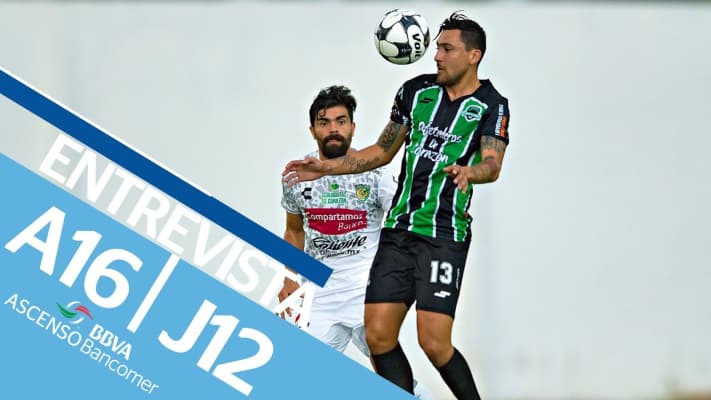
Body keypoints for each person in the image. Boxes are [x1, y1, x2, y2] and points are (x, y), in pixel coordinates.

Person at [283, 12, 510, 400]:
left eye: (446, 49)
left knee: (434, 342)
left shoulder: (492, 105)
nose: (436, 55)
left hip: (443, 234)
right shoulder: (415, 91)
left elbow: (493, 164)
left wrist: (471, 173)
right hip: (398, 233)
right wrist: (326, 167)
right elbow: (381, 152)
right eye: (437, 48)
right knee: (378, 335)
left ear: (474, 55)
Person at [278, 85, 431, 399]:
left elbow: (407, 221)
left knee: (391, 377)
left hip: (366, 288)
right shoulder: (297, 176)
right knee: (294, 377)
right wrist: (289, 278)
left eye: (341, 121)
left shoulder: (374, 175)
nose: (333, 129)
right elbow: (294, 231)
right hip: (319, 292)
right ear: (312, 130)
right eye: (324, 122)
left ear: (353, 127)